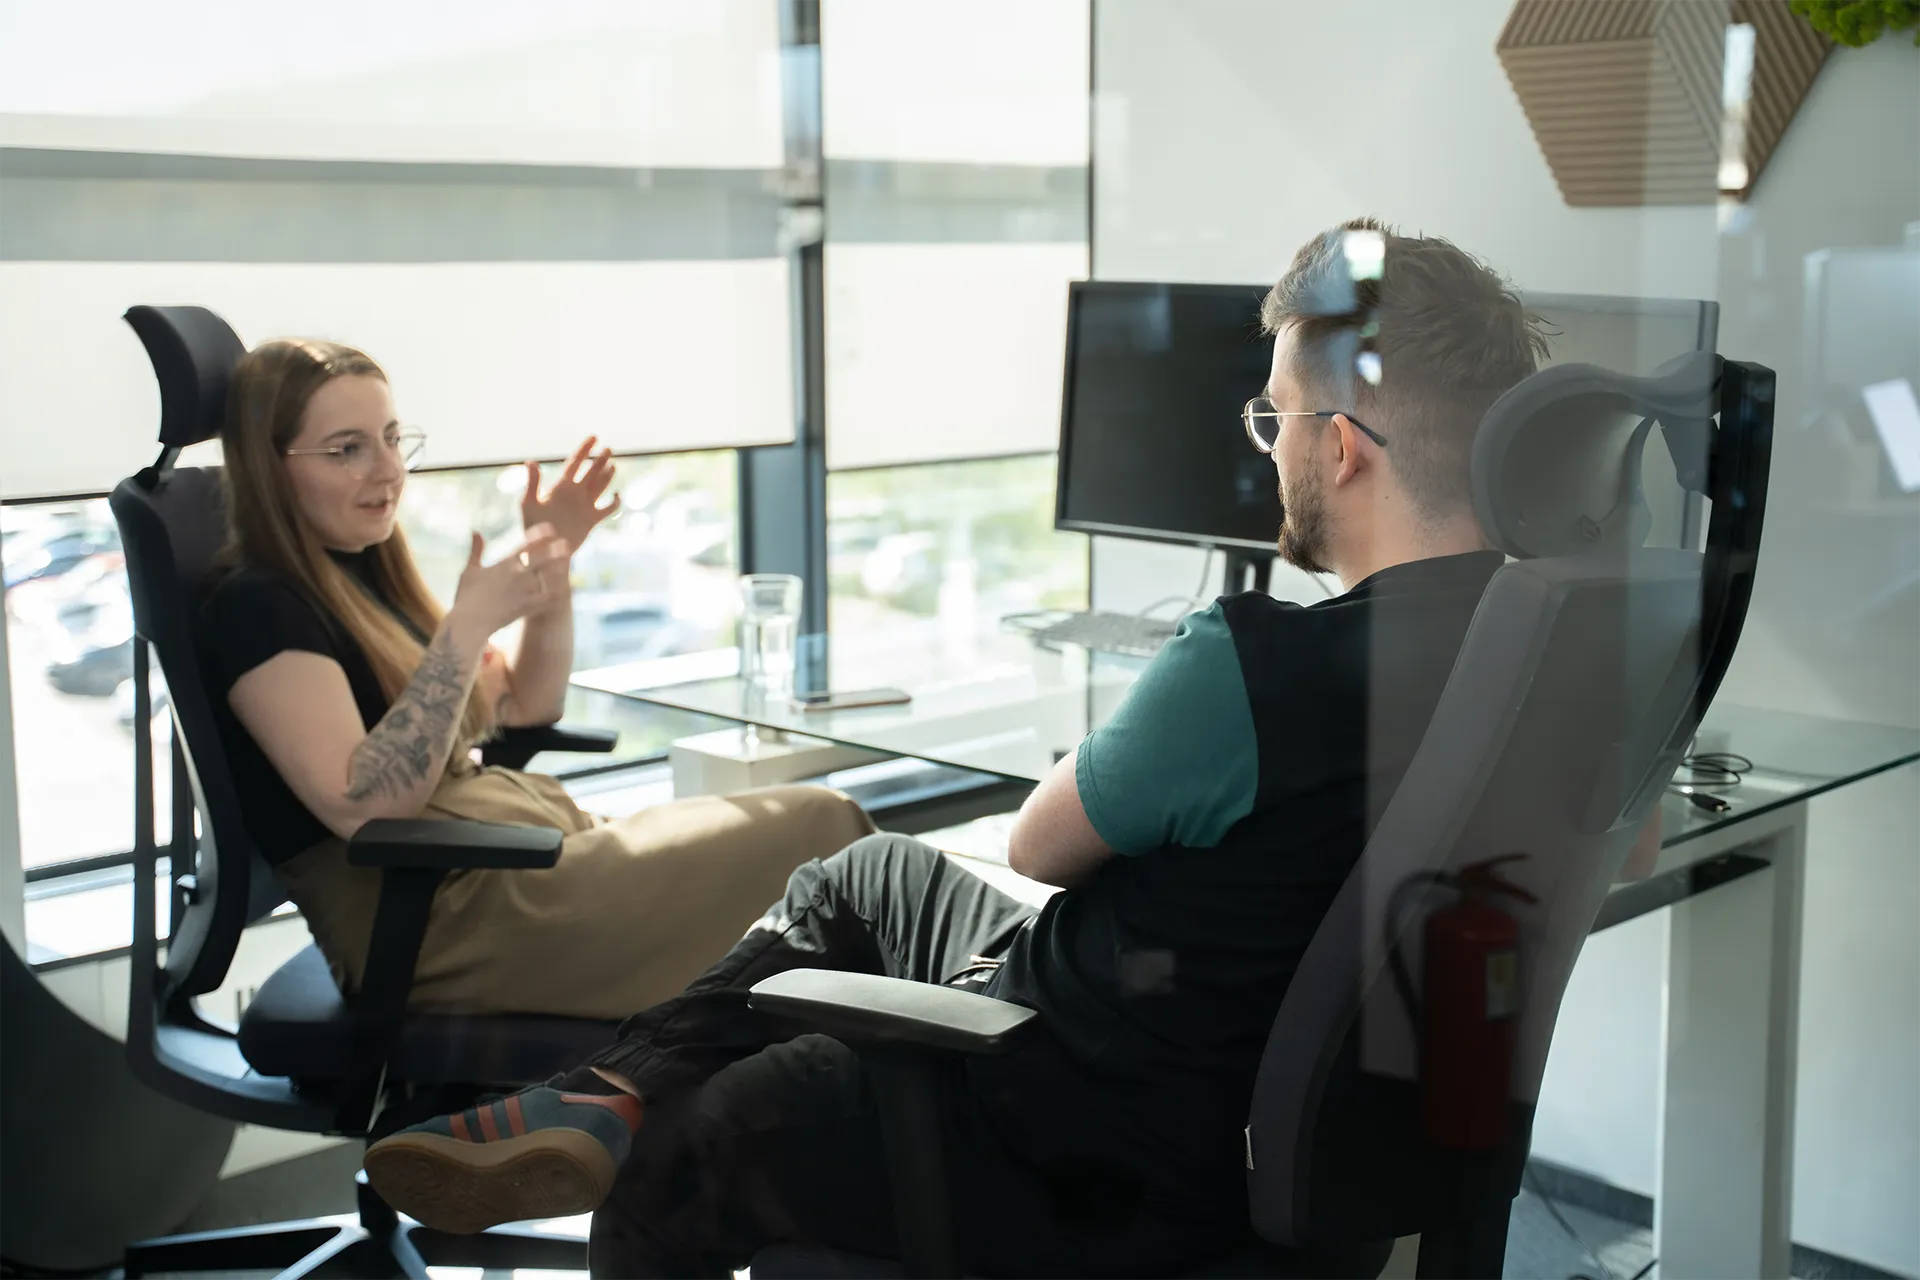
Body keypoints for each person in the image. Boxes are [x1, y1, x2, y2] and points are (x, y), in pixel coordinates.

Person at [363, 219, 1580, 1274]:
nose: (1270, 448)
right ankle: (602, 1087)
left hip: (1074, 1137)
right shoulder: (1555, 668)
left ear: (1344, 446)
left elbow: (1041, 846)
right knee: (868, 873)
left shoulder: (1256, 662)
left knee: (678, 1156)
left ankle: (621, 1107)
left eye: (1275, 418)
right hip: (1257, 1122)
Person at [199, 338, 873, 1022]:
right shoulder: (257, 609)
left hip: (512, 857)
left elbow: (525, 704)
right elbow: (363, 807)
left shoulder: (361, 572)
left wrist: (552, 557)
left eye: (393, 438)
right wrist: (465, 629)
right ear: (271, 467)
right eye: (348, 448)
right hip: (443, 916)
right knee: (824, 830)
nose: (390, 469)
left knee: (831, 850)